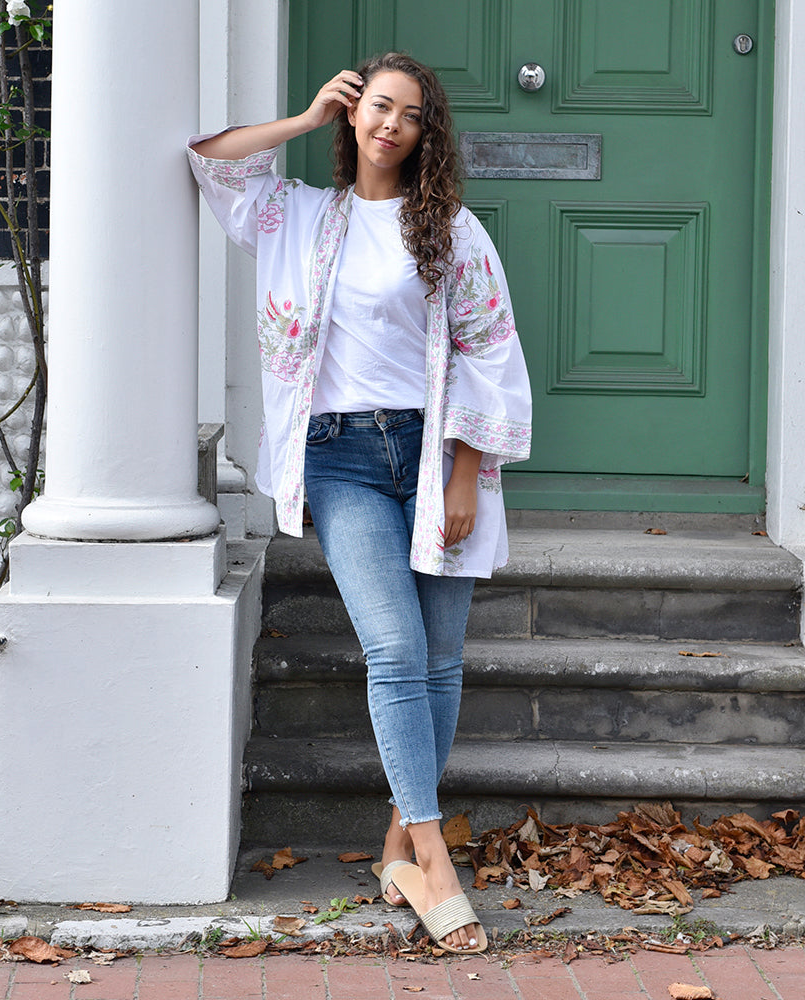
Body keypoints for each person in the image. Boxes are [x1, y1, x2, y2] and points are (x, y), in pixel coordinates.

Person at [188, 52, 531, 954]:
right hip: (339, 457)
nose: (391, 124)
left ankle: (395, 848)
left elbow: (489, 349)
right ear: (354, 115)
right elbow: (212, 161)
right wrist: (303, 119)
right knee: (394, 646)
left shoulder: (451, 231)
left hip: (431, 452)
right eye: (379, 106)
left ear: (427, 133)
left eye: (410, 114)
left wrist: (463, 471)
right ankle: (434, 854)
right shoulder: (295, 213)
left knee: (442, 659)